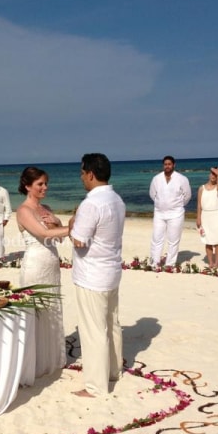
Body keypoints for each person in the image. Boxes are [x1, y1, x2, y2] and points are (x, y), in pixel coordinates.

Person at [69, 153, 126, 398]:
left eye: (82, 173)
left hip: (92, 274)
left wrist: (72, 223)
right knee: (111, 323)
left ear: (90, 174)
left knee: (93, 330)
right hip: (111, 270)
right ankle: (114, 371)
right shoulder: (116, 199)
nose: (82, 177)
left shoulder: (91, 203)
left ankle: (95, 386)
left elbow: (79, 241)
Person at [16, 167, 70, 378]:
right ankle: (33, 363)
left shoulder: (45, 208)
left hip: (51, 265)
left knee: (51, 310)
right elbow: (42, 233)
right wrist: (71, 228)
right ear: (28, 186)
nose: (45, 187)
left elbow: (57, 238)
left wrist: (59, 224)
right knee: (35, 312)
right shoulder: (23, 211)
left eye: (46, 183)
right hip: (35, 265)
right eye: (40, 184)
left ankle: (51, 359)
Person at [149, 155, 191, 267]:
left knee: (173, 240)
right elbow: (152, 194)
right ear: (163, 165)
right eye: (165, 164)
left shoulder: (182, 179)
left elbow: (187, 196)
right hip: (159, 213)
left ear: (174, 165)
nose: (167, 166)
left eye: (169, 164)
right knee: (156, 238)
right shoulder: (156, 179)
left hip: (176, 214)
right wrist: (161, 204)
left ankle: (170, 264)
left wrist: (177, 206)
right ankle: (154, 262)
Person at [196, 167, 218, 268]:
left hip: (216, 215)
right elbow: (199, 205)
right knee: (207, 240)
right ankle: (210, 262)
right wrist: (198, 218)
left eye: (216, 174)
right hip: (205, 216)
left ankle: (217, 263)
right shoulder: (201, 188)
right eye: (212, 173)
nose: (213, 176)